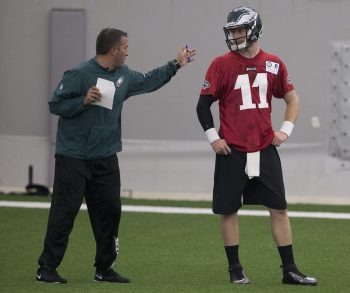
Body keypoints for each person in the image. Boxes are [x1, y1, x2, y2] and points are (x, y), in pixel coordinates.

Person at [36, 27, 196, 284]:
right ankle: (46, 269)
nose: (127, 52)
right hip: (73, 157)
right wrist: (83, 101)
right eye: (125, 48)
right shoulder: (78, 74)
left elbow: (148, 81)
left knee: (110, 211)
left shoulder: (124, 75)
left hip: (106, 157)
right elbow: (56, 104)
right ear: (114, 50)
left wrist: (176, 64)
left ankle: (104, 269)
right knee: (64, 213)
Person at [196, 6, 317, 286]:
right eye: (233, 31)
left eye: (240, 30)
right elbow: (203, 104)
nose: (236, 35)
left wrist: (285, 130)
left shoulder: (273, 62)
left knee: (279, 209)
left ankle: (290, 270)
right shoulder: (220, 64)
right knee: (228, 210)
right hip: (233, 149)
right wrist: (213, 137)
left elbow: (293, 99)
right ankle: (235, 269)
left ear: (255, 29)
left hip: (263, 147)